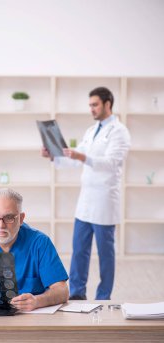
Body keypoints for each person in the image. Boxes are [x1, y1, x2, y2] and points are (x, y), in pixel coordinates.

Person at [42, 87, 131, 300]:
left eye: (95, 104)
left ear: (108, 104)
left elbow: (111, 163)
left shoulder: (120, 132)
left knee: (105, 255)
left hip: (105, 202)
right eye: (90, 105)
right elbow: (73, 161)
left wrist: (82, 157)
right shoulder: (91, 131)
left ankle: (103, 296)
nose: (91, 108)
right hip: (85, 202)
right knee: (79, 251)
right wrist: (53, 156)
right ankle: (77, 293)